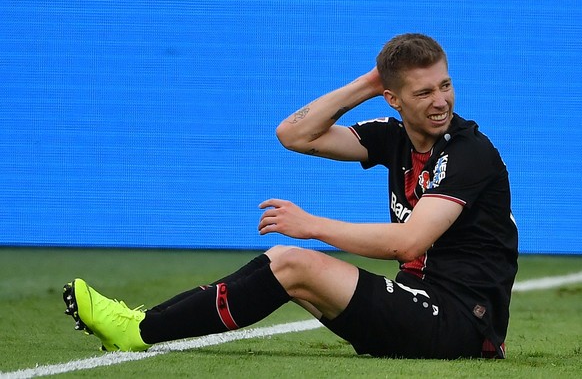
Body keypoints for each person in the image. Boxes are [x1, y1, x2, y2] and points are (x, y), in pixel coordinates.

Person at [63, 33, 518, 359]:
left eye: (445, 85)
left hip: (459, 326)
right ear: (392, 100)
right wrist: (368, 82)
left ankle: (136, 329)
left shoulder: (468, 153)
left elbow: (409, 242)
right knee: (284, 265)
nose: (441, 101)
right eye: (422, 92)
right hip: (413, 307)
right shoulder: (393, 136)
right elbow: (295, 134)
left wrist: (311, 226)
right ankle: (137, 326)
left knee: (293, 261)